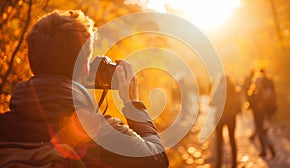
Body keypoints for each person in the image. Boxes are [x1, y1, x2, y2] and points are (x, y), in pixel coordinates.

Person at [0, 10, 169, 167]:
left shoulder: (4, 126)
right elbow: (157, 160)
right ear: (84, 69)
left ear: (32, 65)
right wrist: (133, 104)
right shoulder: (97, 131)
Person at [213, 75, 241, 168]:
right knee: (232, 140)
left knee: (219, 141)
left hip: (219, 118)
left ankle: (218, 163)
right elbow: (239, 106)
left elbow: (213, 102)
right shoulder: (234, 90)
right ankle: (234, 163)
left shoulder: (218, 89)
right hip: (231, 118)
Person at [247, 68, 276, 158]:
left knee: (260, 131)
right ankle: (269, 148)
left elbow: (252, 101)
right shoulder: (267, 86)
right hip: (264, 113)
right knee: (263, 131)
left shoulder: (256, 91)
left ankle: (266, 149)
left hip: (258, 113)